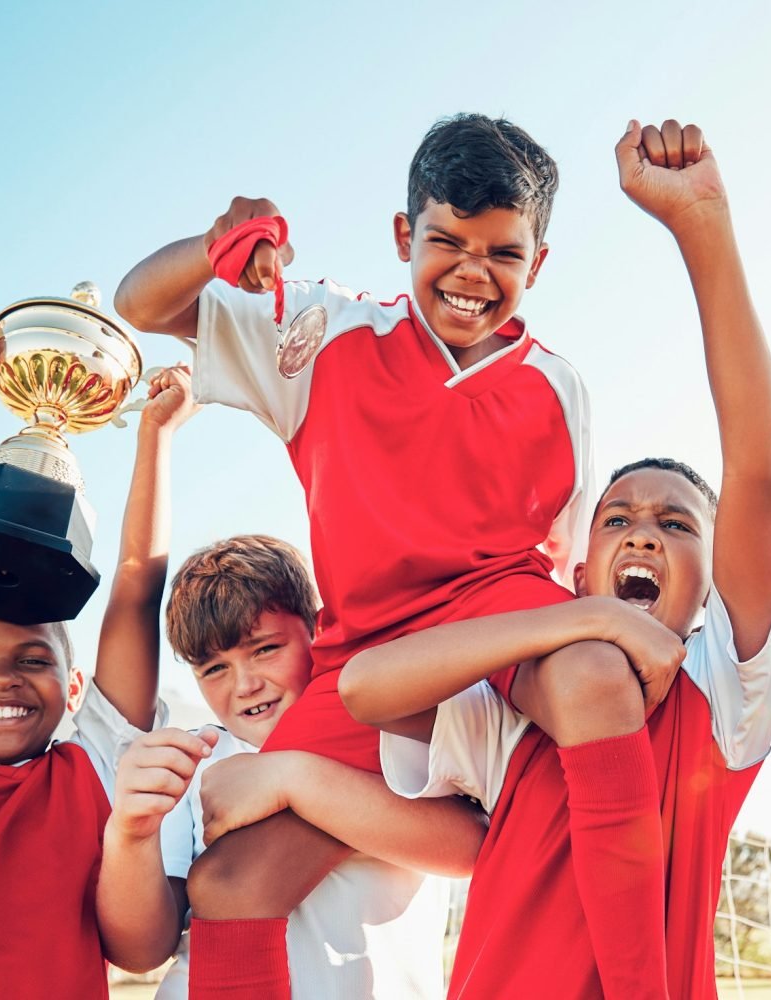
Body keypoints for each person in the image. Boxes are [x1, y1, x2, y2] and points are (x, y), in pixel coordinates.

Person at [115, 113, 596, 996]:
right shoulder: (326, 333)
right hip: (362, 665)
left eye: (503, 254)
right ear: (404, 235)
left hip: (483, 656)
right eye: (447, 241)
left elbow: (561, 563)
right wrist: (222, 243)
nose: (472, 272)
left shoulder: (558, 389)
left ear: (539, 262)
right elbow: (140, 303)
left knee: (574, 780)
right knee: (229, 879)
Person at [340, 118, 771, 999]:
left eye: (679, 524)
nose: (644, 531)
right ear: (581, 571)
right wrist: (570, 623)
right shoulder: (523, 709)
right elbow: (366, 687)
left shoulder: (724, 694)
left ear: (709, 591)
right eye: (616, 517)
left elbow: (761, 467)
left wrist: (703, 226)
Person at [0, 306, 185, 999]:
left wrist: (156, 437)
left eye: (34, 660)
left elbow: (134, 588)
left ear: (74, 689)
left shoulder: (94, 773)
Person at [97, 532, 485, 999]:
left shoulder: (384, 728)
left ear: (318, 633)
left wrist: (291, 779)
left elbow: (469, 848)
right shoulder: (196, 763)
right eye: (214, 669)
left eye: (264, 649)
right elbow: (141, 952)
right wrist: (131, 834)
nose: (244, 685)